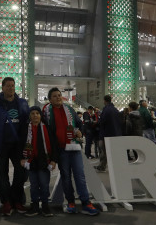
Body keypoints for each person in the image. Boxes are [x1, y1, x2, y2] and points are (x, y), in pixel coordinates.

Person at [43, 87, 100, 216]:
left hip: (74, 148)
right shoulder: (46, 112)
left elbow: (80, 124)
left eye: (59, 95)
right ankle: (70, 202)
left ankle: (86, 203)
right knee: (66, 178)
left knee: (80, 176)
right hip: (60, 150)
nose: (58, 97)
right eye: (55, 96)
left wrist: (80, 132)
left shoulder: (69, 109)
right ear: (50, 99)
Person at [0, 77, 29, 216]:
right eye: (8, 86)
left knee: (21, 173)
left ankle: (17, 200)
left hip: (18, 145)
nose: (11, 88)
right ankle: (7, 203)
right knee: (2, 175)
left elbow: (27, 122)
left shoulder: (22, 103)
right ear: (2, 87)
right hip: (1, 144)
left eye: (13, 86)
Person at [20, 106, 58, 217]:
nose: (35, 115)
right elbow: (20, 144)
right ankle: (35, 206)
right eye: (33, 113)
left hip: (44, 162)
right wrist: (21, 159)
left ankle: (45, 206)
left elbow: (54, 145)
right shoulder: (25, 129)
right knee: (34, 185)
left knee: (45, 185)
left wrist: (54, 160)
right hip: (31, 162)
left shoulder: (47, 128)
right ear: (29, 116)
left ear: (41, 115)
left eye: (37, 113)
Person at [96, 94, 122, 172]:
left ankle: (102, 166)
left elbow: (102, 122)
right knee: (112, 151)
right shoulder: (115, 109)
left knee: (104, 150)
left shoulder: (106, 110)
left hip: (106, 133)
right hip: (116, 133)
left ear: (105, 101)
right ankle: (113, 166)